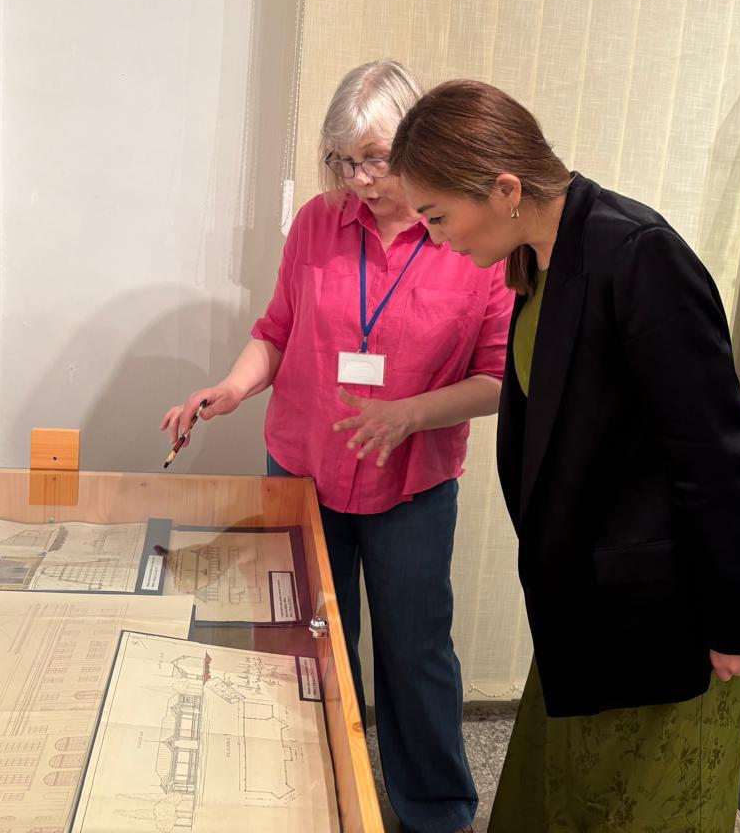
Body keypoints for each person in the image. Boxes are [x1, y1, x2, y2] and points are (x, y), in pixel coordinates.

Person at [390, 80, 740, 832]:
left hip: (664, 617)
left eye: (438, 217)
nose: (437, 240)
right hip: (589, 606)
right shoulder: (540, 260)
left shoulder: (639, 256)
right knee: (559, 798)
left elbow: (719, 455)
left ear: (505, 189)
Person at [162, 61, 512, 833]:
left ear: (417, 142)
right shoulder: (318, 224)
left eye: (376, 159)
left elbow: (498, 379)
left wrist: (409, 415)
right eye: (343, 160)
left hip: (410, 483)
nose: (359, 180)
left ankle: (437, 811)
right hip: (304, 469)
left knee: (415, 650)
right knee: (310, 640)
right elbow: (276, 332)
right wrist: (232, 388)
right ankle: (316, 796)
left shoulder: (467, 234)